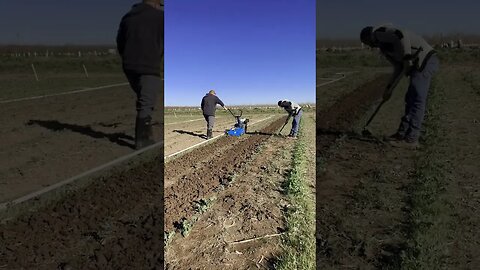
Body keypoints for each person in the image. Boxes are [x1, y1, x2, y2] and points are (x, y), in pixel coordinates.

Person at [360, 24, 439, 149]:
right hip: (415, 64)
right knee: (410, 99)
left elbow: (401, 34)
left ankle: (411, 139)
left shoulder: (379, 32)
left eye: (368, 42)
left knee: (417, 99)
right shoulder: (385, 49)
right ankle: (402, 134)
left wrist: (407, 56)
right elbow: (398, 68)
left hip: (425, 60)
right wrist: (389, 89)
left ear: (369, 37)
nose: (371, 46)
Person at [116, 0, 164, 150]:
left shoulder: (127, 17)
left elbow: (120, 42)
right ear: (156, 3)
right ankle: (142, 141)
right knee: (146, 102)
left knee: (143, 98)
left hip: (129, 66)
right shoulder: (159, 17)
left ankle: (146, 134)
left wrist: (127, 57)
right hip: (149, 65)